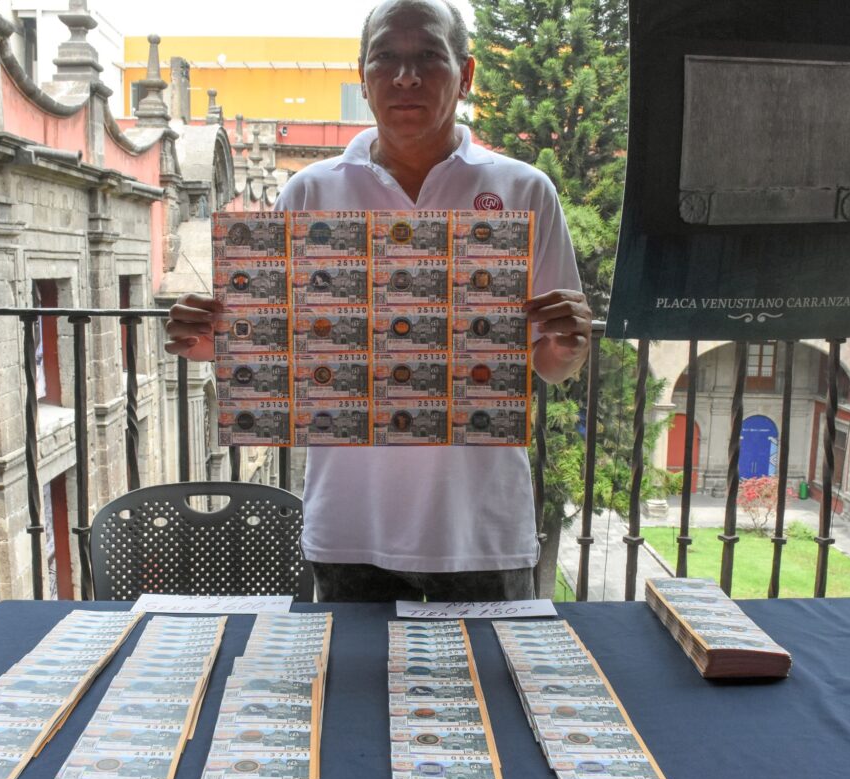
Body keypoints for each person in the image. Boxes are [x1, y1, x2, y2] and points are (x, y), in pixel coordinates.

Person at [165, 0, 592, 602]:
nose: (406, 76)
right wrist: (220, 347)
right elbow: (279, 355)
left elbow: (552, 364)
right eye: (385, 57)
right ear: (362, 77)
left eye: (428, 57)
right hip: (350, 527)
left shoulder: (524, 190)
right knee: (349, 668)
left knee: (487, 669)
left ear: (465, 74)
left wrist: (569, 346)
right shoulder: (308, 193)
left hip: (480, 529)